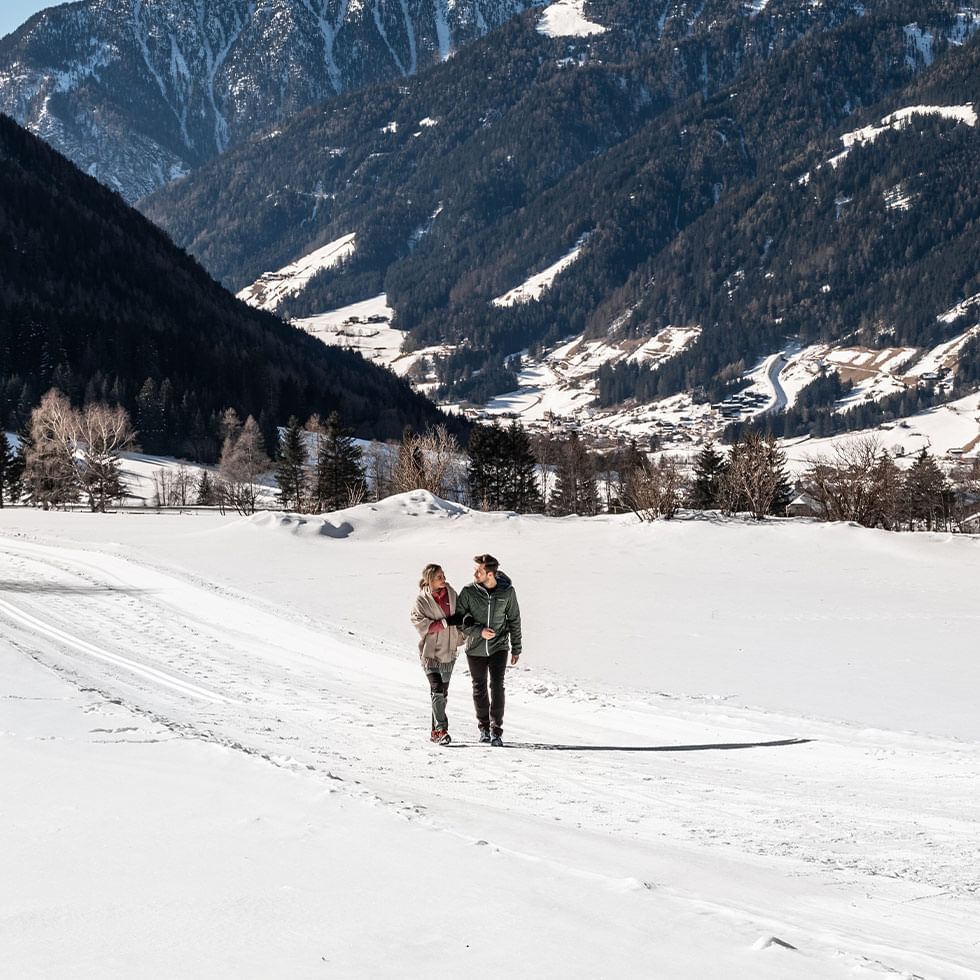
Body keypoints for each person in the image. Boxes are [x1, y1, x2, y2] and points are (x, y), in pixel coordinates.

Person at [456, 553, 522, 747]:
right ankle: (483, 728)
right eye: (475, 569)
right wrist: (479, 631)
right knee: (479, 687)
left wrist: (516, 648)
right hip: (475, 647)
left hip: (499, 647)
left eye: (479, 570)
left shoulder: (507, 592)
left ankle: (496, 730)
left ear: (491, 574)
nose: (475, 573)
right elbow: (459, 619)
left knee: (497, 686)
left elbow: (514, 620)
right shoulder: (468, 592)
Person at [410, 563, 466, 745]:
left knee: (443, 693)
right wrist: (445, 622)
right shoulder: (421, 601)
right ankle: (442, 730)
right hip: (430, 652)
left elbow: (461, 615)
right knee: (437, 688)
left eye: (443, 575)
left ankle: (435, 732)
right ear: (430, 580)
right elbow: (421, 625)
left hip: (448, 650)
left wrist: (462, 630)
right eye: (439, 577)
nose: (444, 579)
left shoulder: (451, 593)